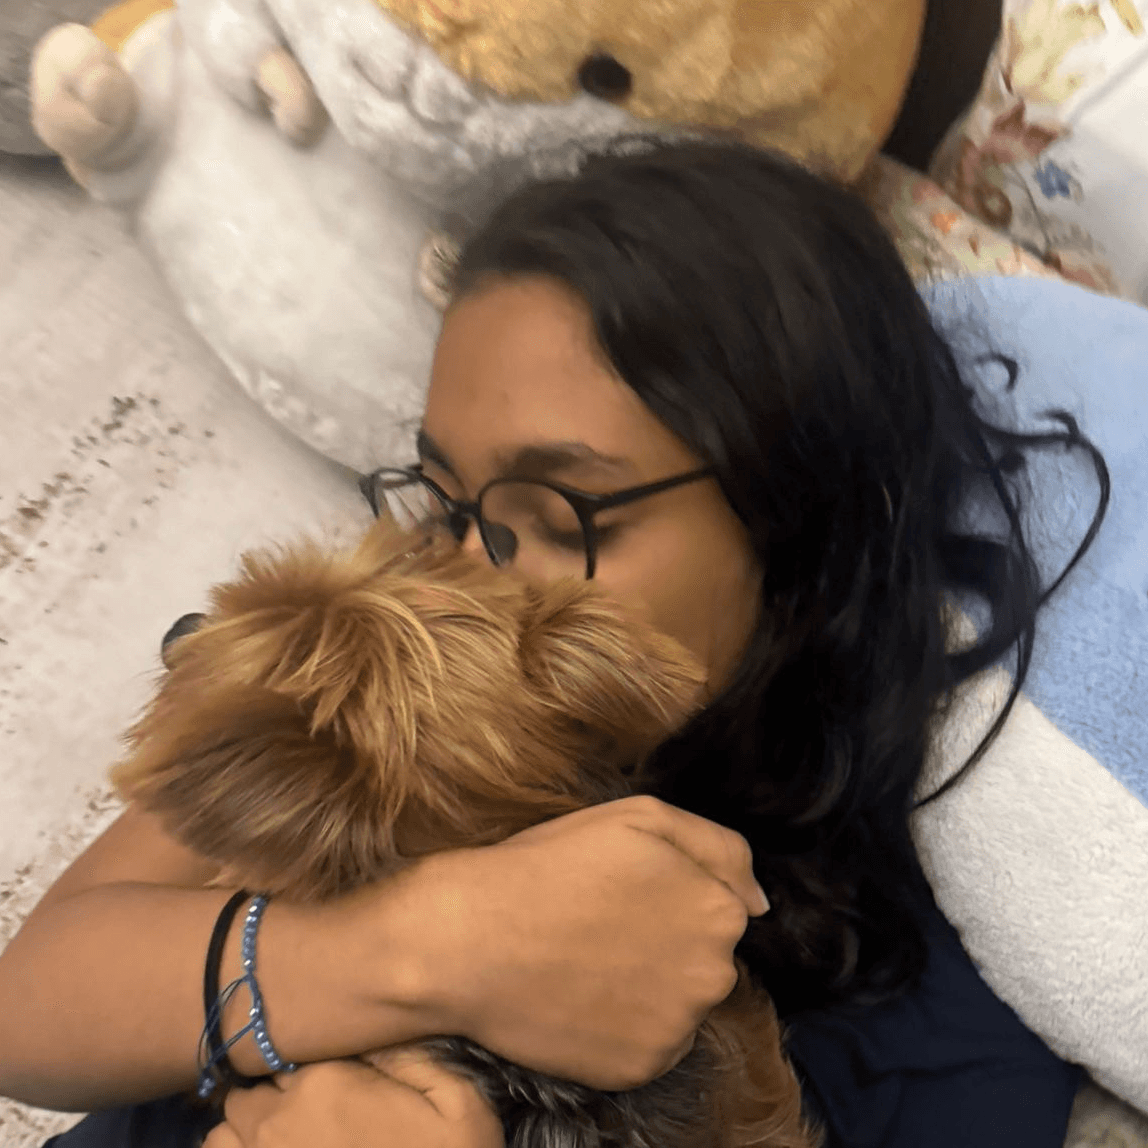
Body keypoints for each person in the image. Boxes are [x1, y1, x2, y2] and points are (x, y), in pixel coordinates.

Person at [0, 139, 1104, 1148]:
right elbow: (27, 1009)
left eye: (561, 514)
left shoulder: (929, 1042)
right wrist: (428, 949)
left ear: (801, 531)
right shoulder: (374, 694)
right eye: (442, 496)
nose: (461, 574)